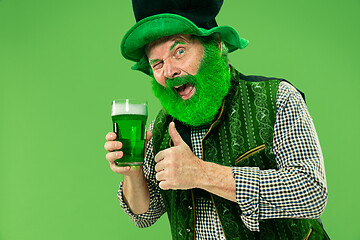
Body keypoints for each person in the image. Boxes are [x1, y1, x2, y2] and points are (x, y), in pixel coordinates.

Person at [104, 0, 329, 239]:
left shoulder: (277, 98)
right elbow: (145, 215)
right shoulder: (159, 128)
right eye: (157, 64)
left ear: (216, 45)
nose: (169, 71)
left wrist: (201, 173)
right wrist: (133, 174)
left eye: (179, 51)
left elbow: (312, 192)